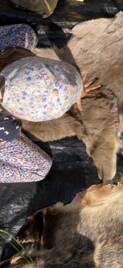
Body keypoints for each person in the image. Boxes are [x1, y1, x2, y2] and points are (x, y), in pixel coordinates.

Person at [0, 24, 98, 183]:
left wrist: (73, 88)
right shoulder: (6, 128)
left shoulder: (12, 50)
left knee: (25, 34)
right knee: (39, 169)